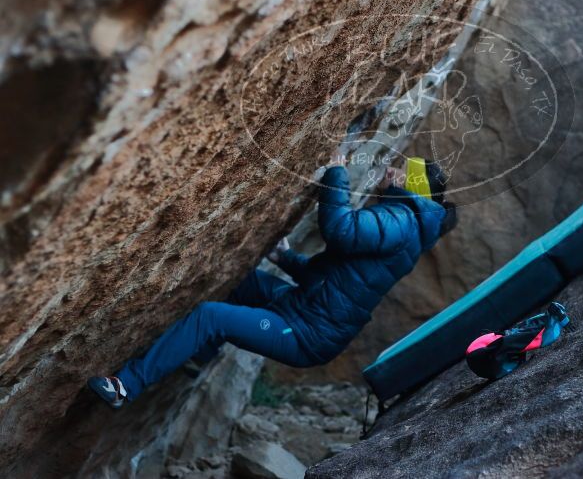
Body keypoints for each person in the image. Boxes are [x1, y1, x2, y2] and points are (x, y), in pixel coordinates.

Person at [88, 157, 458, 408]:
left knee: (211, 316)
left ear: (411, 186)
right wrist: (285, 258)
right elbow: (333, 282)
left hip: (303, 334)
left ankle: (125, 387)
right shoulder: (406, 227)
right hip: (304, 307)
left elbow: (340, 229)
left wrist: (336, 171)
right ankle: (197, 356)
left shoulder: (401, 220)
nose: (390, 170)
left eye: (400, 170)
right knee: (241, 282)